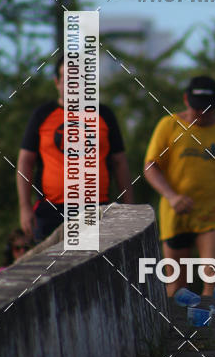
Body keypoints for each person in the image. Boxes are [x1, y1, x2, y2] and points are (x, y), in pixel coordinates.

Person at [144, 75, 215, 299]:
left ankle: (213, 331)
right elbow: (150, 167)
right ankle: (183, 333)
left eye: (206, 108)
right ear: (185, 100)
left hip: (213, 214)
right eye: (196, 108)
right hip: (176, 214)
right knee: (176, 289)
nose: (200, 113)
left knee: (213, 281)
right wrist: (171, 196)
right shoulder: (169, 125)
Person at [17, 55, 134, 243]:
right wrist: (24, 207)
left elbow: (120, 162)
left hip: (96, 209)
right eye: (68, 79)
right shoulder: (42, 114)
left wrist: (129, 208)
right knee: (52, 270)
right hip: (52, 211)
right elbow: (25, 162)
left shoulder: (103, 114)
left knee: (96, 268)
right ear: (57, 82)